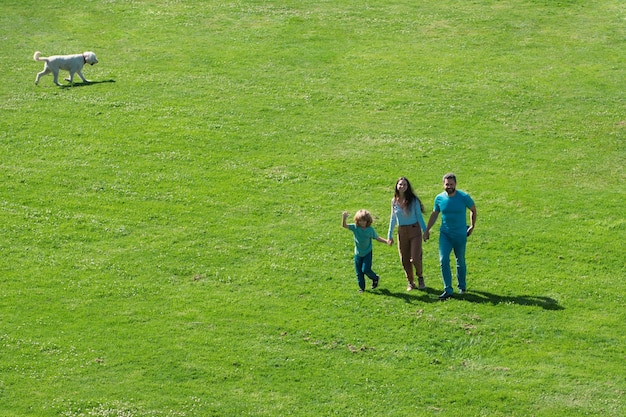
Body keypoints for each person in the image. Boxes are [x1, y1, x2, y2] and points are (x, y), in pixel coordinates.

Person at [423, 173, 477, 300]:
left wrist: (472, 226)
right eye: (447, 184)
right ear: (443, 184)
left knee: (460, 261)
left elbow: (473, 210)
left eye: (451, 184)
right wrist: (426, 230)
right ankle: (448, 289)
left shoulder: (464, 197)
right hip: (445, 234)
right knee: (443, 260)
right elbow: (435, 214)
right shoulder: (439, 198)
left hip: (460, 234)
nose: (449, 187)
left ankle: (462, 286)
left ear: (456, 184)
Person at [387, 177, 428, 291]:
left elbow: (419, 216)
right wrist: (389, 235)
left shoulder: (413, 200)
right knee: (404, 259)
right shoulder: (394, 201)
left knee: (415, 258)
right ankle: (410, 282)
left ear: (408, 187)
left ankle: (420, 277)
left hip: (414, 230)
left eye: (404, 185)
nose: (402, 187)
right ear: (397, 186)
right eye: (400, 184)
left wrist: (425, 231)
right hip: (402, 232)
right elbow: (393, 218)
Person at [342, 210, 390, 292]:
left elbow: (377, 238)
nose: (362, 223)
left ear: (368, 221)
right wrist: (344, 218)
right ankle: (362, 288)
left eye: (364, 221)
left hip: (367, 253)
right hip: (357, 253)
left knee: (365, 269)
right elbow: (345, 226)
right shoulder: (355, 227)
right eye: (360, 221)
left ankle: (375, 278)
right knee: (359, 272)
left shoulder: (370, 230)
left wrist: (386, 241)